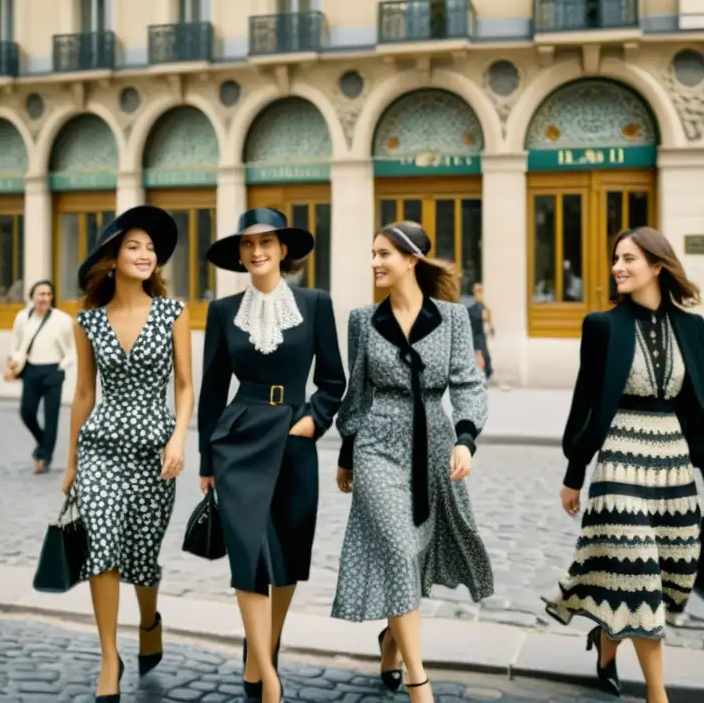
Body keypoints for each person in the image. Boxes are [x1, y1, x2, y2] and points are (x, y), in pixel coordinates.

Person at [542, 226, 704, 703]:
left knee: (666, 575)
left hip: (674, 465)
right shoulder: (603, 325)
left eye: (629, 259)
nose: (618, 267)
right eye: (616, 259)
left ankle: (606, 643)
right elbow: (584, 403)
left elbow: (697, 403)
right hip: (620, 459)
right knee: (639, 577)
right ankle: (657, 695)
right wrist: (573, 473)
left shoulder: (692, 327)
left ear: (657, 266)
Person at [332, 220, 493, 703]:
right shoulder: (363, 320)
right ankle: (418, 681)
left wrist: (465, 439)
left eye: (385, 253)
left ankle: (391, 639)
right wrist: (346, 455)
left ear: (412, 260)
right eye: (374, 253)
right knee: (400, 551)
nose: (376, 262)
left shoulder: (454, 318)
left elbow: (467, 381)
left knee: (417, 551)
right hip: (377, 444)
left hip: (435, 445)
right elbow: (356, 392)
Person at [197, 207, 346, 703]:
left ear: (284, 250)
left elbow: (332, 380)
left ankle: (263, 650)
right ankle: (268, 678)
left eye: (267, 243)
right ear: (240, 255)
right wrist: (205, 462)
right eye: (248, 245)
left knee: (286, 558)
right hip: (238, 439)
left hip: (294, 438)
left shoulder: (316, 302)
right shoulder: (222, 312)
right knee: (248, 555)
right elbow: (212, 389)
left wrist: (314, 421)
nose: (257, 251)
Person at [61, 205, 193, 703]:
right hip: (100, 447)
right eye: (133, 246)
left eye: (150, 248)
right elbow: (82, 395)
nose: (145, 254)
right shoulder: (89, 321)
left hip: (155, 450)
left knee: (142, 553)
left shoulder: (173, 313)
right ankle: (109, 656)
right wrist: (72, 463)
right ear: (112, 258)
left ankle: (148, 619)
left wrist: (179, 437)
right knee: (102, 544)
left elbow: (184, 386)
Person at [4, 279, 75, 474]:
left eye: (48, 294)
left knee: (51, 418)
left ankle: (44, 457)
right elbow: (16, 343)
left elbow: (73, 347)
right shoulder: (22, 318)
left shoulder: (63, 319)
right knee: (26, 411)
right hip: (31, 370)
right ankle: (43, 441)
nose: (45, 298)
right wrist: (14, 362)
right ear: (32, 297)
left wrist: (62, 365)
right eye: (41, 294)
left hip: (53, 371)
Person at [466, 282, 493, 381]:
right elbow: (485, 316)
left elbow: (487, 318)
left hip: (479, 336)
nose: (479, 293)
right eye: (477, 291)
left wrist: (491, 327)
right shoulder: (472, 308)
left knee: (484, 358)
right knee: (479, 357)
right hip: (474, 336)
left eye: (481, 291)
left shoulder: (482, 307)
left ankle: (482, 375)